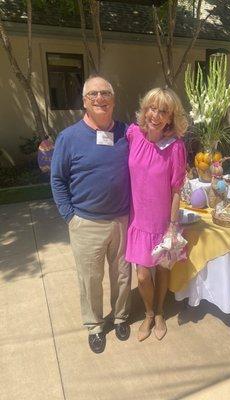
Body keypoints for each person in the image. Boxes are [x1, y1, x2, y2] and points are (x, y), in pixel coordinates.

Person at [51, 75, 131, 354]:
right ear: (85, 101)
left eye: (106, 93)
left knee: (122, 275)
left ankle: (120, 317)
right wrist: (69, 216)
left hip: (122, 220)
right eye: (93, 94)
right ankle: (95, 325)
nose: (100, 98)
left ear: (113, 98)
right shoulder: (69, 138)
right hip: (85, 222)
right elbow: (57, 180)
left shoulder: (127, 133)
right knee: (90, 279)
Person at [125, 88, 188, 341]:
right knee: (142, 276)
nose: (156, 115)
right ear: (145, 109)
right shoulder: (133, 135)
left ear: (171, 117)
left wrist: (172, 227)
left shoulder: (176, 148)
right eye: (152, 108)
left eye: (163, 111)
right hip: (139, 221)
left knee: (162, 270)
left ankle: (160, 311)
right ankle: (148, 313)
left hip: (163, 223)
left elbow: (176, 190)